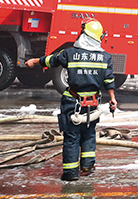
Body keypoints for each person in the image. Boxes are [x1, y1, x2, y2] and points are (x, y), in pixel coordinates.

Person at [25, 19, 118, 181]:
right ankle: (87, 166)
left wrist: (34, 61)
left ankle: (70, 173)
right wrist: (112, 99)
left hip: (73, 102)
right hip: (93, 103)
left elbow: (51, 60)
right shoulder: (106, 57)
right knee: (89, 134)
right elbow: (109, 80)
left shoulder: (69, 53)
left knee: (72, 137)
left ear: (83, 34)